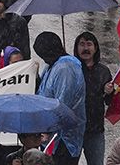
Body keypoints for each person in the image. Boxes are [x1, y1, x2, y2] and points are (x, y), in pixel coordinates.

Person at [34, 32, 85, 165]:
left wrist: (48, 129)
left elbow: (62, 106)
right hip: (51, 135)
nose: (44, 59)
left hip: (64, 139)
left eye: (44, 55)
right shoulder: (52, 65)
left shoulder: (65, 69)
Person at [72, 32, 112, 165]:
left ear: (95, 48)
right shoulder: (71, 69)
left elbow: (109, 101)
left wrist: (110, 92)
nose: (85, 48)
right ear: (76, 48)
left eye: (89, 44)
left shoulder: (103, 71)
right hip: (73, 129)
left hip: (95, 130)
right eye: (82, 44)